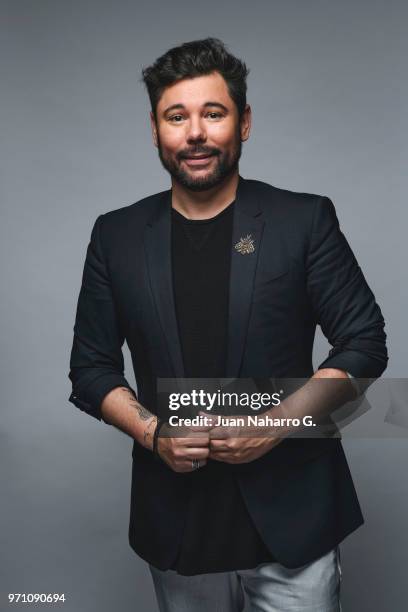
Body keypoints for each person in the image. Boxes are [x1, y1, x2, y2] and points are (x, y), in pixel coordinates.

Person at [68, 37, 388, 611]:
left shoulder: (303, 220)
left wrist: (276, 423)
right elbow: (90, 369)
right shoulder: (115, 235)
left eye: (213, 113)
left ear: (243, 124)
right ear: (155, 129)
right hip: (178, 522)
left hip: (296, 519)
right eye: (176, 116)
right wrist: (152, 432)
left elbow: (364, 344)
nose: (195, 133)